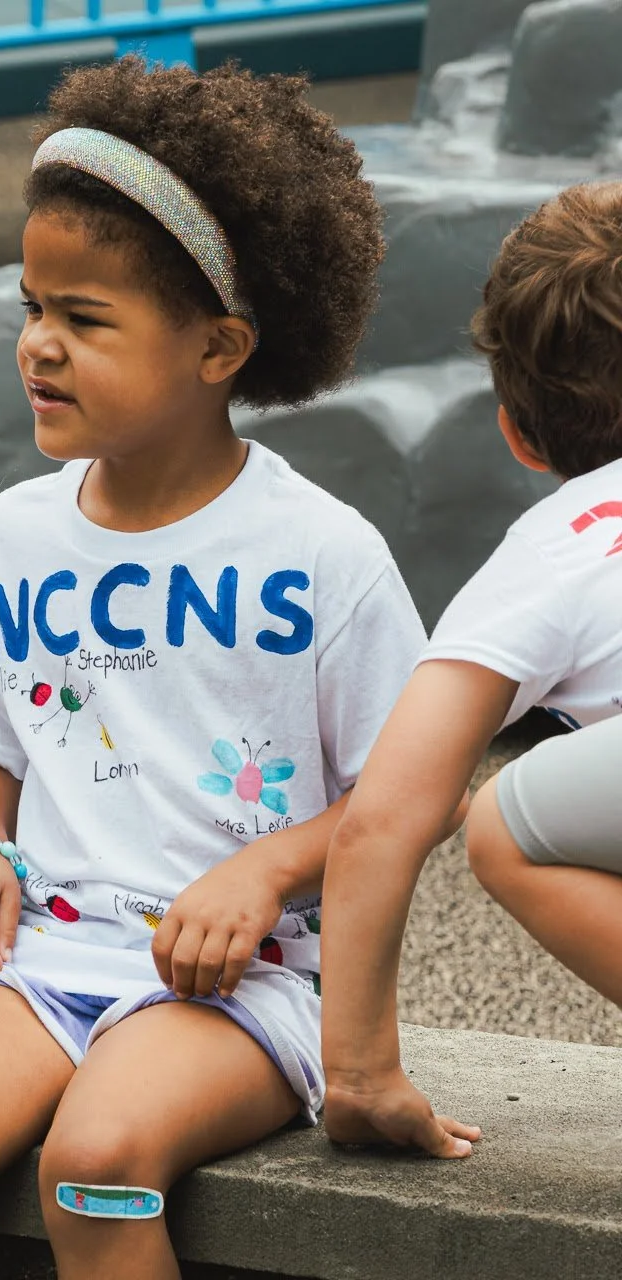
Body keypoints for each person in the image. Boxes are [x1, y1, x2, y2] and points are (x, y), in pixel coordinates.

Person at [0, 59, 422, 1280]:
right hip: (42, 954)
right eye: (34, 307)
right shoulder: (14, 534)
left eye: (85, 320)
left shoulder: (324, 553)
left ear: (220, 348)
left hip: (241, 983)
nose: (38, 345)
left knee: (94, 1163)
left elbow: (418, 791)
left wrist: (265, 868)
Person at [320, 181, 622, 1159]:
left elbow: (389, 811)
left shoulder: (557, 547)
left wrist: (360, 1071)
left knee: (503, 822)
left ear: (517, 432)